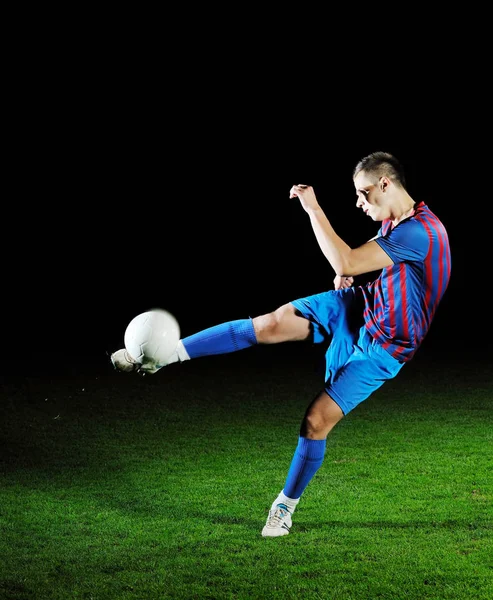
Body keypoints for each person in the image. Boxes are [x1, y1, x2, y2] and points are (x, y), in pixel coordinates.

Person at [111, 151, 452, 537]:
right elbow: (375, 266)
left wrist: (313, 208)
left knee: (315, 421)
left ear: (386, 184)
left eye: (363, 192)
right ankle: (165, 357)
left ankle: (283, 507)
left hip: (385, 346)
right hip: (362, 306)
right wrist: (352, 277)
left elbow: (346, 262)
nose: (359, 202)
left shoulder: (421, 231)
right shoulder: (400, 221)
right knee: (271, 322)